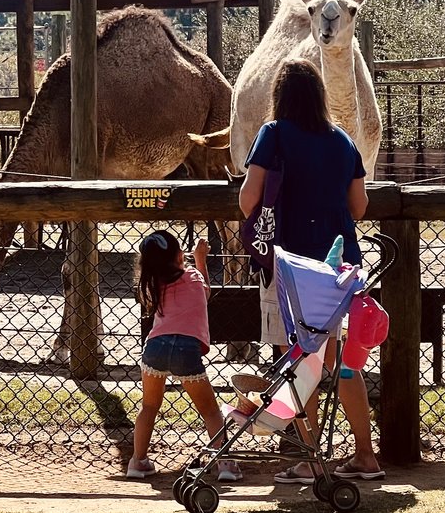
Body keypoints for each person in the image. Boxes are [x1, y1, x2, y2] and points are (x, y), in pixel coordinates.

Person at [238, 58, 382, 483]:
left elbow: (249, 199)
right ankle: (365, 455)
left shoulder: (273, 135)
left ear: (278, 96)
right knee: (343, 364)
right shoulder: (342, 141)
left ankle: (312, 458)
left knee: (299, 362)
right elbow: (359, 207)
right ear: (320, 96)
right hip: (339, 268)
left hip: (292, 268)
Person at [128, 229, 242, 482]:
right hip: (185, 350)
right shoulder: (192, 276)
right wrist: (200, 260)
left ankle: (138, 461)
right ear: (180, 255)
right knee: (210, 410)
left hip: (155, 348)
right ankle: (224, 463)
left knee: (149, 406)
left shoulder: (152, 284)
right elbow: (206, 292)